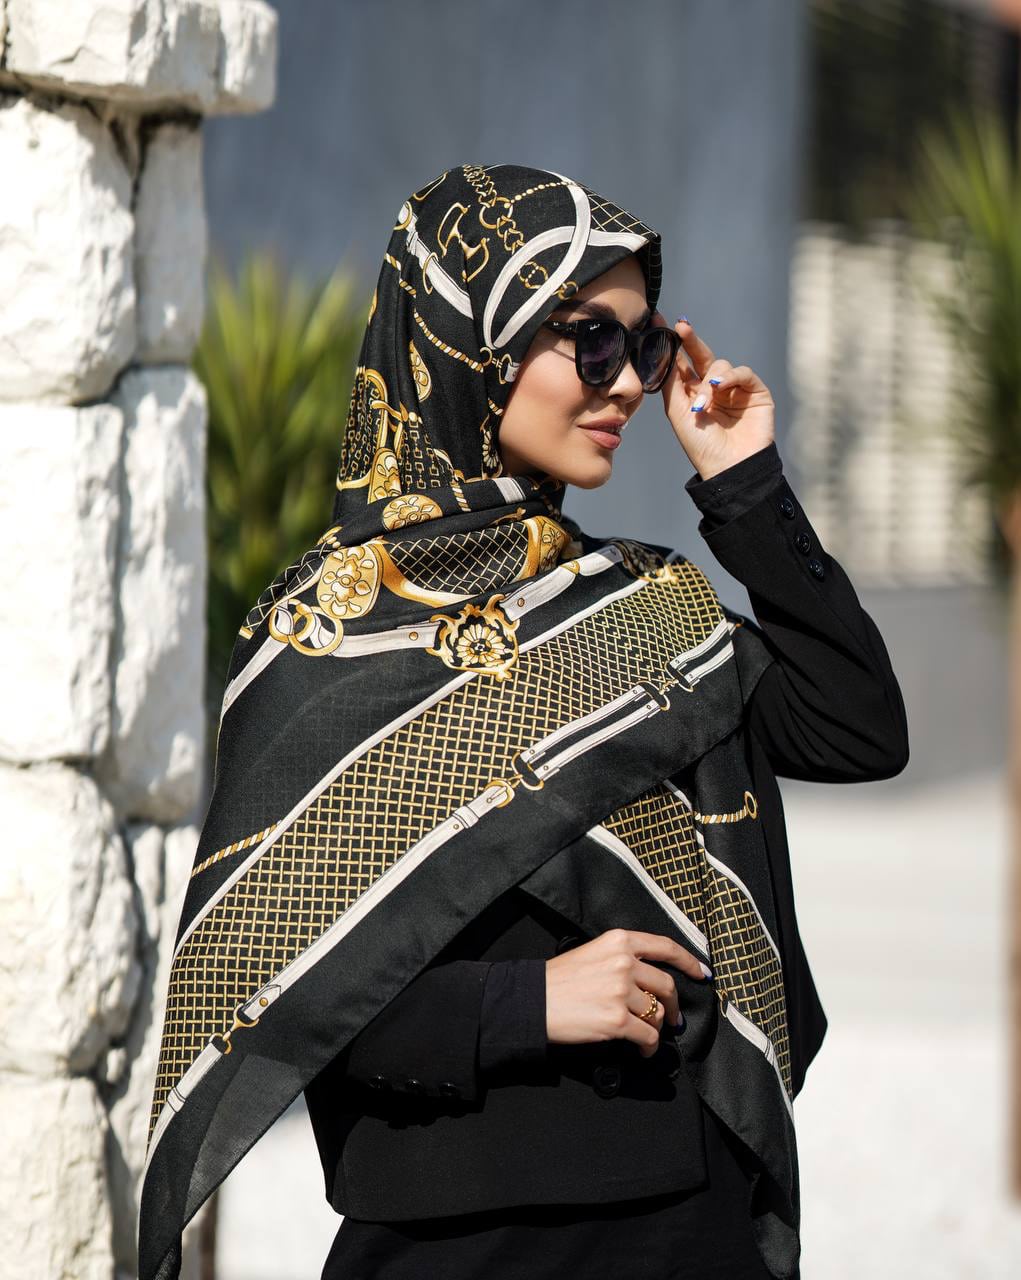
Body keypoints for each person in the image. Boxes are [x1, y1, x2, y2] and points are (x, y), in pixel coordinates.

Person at [137, 163, 908, 1280]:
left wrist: (745, 487)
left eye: (643, 346)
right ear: (472, 344)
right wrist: (526, 1001)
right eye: (589, 340)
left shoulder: (642, 610)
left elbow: (855, 728)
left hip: (689, 1225)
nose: (628, 384)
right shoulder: (322, 640)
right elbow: (263, 990)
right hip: (453, 1244)